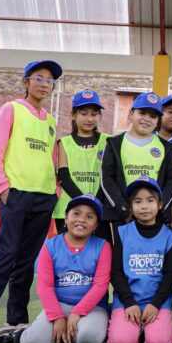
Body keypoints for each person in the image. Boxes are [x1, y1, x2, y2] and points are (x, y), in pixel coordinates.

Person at [0, 60, 62, 343]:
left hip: (44, 197)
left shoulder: (50, 121)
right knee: (5, 255)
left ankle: (17, 318)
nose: (44, 84)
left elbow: (52, 159)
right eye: (39, 78)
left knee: (26, 261)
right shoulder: (10, 109)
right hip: (15, 193)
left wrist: (54, 191)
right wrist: (2, 187)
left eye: (49, 81)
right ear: (26, 82)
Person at [0, 194, 111, 343]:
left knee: (88, 340)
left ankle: (78, 334)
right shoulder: (51, 246)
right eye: (76, 214)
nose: (82, 219)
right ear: (66, 218)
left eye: (89, 217)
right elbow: (44, 287)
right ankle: (18, 335)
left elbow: (100, 286)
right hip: (59, 305)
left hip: (93, 308)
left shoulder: (103, 246)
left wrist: (77, 312)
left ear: (96, 225)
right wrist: (58, 317)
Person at [107, 177, 172, 343]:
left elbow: (171, 275)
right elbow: (116, 272)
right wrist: (129, 302)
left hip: (157, 303)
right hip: (127, 302)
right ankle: (127, 324)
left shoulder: (170, 236)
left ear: (160, 204)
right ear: (131, 206)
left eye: (150, 200)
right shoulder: (122, 233)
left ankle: (148, 328)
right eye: (138, 202)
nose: (144, 206)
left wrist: (155, 304)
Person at [100, 92, 172, 243]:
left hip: (156, 217)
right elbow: (106, 179)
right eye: (142, 113)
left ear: (158, 121)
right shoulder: (114, 144)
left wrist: (157, 208)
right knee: (122, 255)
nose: (147, 119)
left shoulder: (166, 147)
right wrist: (124, 209)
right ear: (131, 114)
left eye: (153, 116)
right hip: (122, 216)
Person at [53, 90, 109, 235]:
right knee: (69, 248)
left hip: (99, 208)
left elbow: (108, 176)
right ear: (73, 115)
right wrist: (84, 202)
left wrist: (94, 203)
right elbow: (64, 177)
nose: (89, 119)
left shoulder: (108, 141)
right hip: (69, 208)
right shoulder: (64, 143)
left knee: (100, 248)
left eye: (94, 114)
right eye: (84, 114)